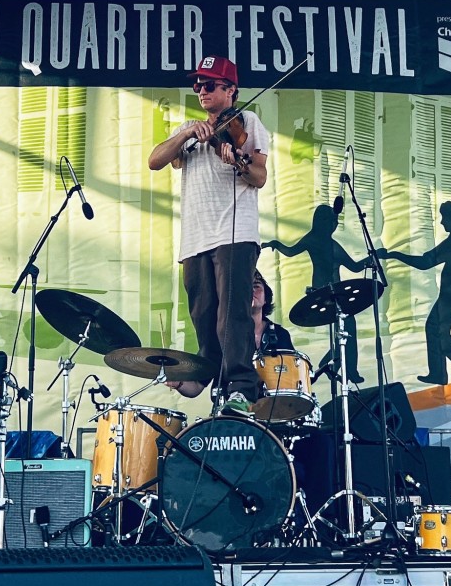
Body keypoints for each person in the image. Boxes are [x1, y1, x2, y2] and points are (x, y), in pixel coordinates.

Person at [168, 269, 339, 539]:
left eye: (257, 285)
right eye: (246, 286)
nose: (253, 290)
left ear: (266, 294)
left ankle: (319, 527)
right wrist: (179, 382)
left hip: (277, 422)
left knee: (321, 444)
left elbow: (289, 383)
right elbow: (196, 386)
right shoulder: (220, 337)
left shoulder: (279, 335)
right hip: (236, 425)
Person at [148, 54, 269, 415]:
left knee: (233, 313)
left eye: (211, 84)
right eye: (198, 84)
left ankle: (241, 387)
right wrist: (187, 132)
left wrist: (238, 161)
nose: (202, 90)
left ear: (231, 90)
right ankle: (208, 375)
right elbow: (155, 160)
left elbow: (259, 176)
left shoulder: (248, 122)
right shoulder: (189, 129)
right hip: (196, 237)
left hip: (235, 231)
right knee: (202, 314)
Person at [376, 200, 451, 386]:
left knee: (437, 331)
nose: (442, 223)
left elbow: (425, 262)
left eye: (444, 218)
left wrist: (394, 255)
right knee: (438, 331)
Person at [264, 203, 369, 383]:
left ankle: (338, 366)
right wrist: (275, 243)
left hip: (335, 294)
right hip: (325, 295)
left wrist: (374, 258)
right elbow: (355, 266)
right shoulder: (320, 242)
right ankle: (338, 366)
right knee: (347, 328)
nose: (334, 225)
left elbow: (290, 251)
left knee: (345, 330)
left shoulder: (319, 241)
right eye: (332, 221)